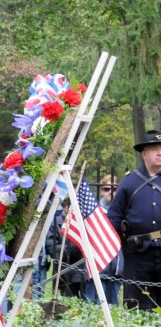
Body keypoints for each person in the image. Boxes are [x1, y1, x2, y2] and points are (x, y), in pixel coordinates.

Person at [108, 130, 161, 310]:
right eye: (154, 148)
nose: (159, 152)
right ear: (144, 153)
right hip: (137, 254)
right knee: (137, 307)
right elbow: (114, 218)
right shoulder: (130, 182)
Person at [83, 174, 123, 305]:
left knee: (113, 311)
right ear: (101, 191)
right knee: (95, 311)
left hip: (116, 268)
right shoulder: (93, 212)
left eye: (114, 188)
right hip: (98, 268)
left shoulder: (124, 212)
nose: (110, 192)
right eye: (107, 189)